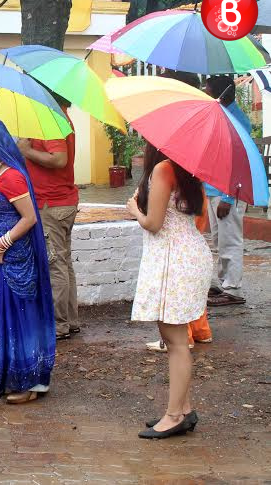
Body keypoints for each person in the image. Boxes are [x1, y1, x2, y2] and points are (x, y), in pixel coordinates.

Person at [126, 142, 212, 439]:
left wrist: (135, 209)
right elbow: (200, 218)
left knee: (176, 341)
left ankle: (174, 415)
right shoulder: (188, 170)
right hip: (186, 254)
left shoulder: (164, 169)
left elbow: (153, 223)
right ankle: (184, 408)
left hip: (175, 258)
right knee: (172, 336)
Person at [0, 120, 56, 405]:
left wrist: (3, 242)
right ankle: (3, 375)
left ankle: (31, 382)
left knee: (21, 317)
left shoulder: (12, 177)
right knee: (3, 317)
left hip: (15, 258)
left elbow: (29, 218)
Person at [144, 69, 214, 352]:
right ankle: (199, 330)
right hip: (194, 195)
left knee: (179, 272)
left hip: (180, 199)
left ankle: (180, 335)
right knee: (189, 270)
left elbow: (154, 222)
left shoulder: (179, 121)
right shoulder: (201, 121)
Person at [17, 97, 79, 340]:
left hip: (51, 204)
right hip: (61, 201)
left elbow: (59, 158)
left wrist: (27, 151)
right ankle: (69, 320)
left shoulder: (51, 119)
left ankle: (58, 324)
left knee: (55, 265)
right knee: (63, 263)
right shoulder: (60, 117)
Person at [204, 75, 249, 298]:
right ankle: (225, 283)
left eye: (208, 87)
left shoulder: (237, 120)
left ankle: (233, 289)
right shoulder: (219, 115)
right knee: (219, 240)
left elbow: (239, 162)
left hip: (228, 193)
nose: (205, 90)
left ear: (223, 92)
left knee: (230, 240)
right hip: (213, 189)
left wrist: (228, 197)